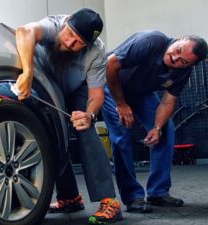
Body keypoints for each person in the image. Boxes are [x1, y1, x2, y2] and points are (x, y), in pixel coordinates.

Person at [15, 8, 122, 224]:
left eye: (79, 43)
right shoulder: (53, 24)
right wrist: (27, 72)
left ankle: (109, 201)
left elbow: (96, 94)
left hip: (78, 89)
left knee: (85, 129)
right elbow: (24, 31)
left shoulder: (96, 53)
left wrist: (89, 114)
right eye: (70, 35)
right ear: (66, 23)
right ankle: (69, 197)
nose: (71, 45)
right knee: (53, 133)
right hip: (48, 82)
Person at [101, 30, 208, 213]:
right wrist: (121, 103)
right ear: (179, 39)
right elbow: (109, 65)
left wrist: (156, 127)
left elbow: (168, 101)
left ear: (190, 65)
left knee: (166, 130)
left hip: (141, 93)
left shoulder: (183, 72)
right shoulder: (151, 41)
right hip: (110, 85)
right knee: (121, 135)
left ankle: (158, 192)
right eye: (178, 50)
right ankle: (133, 197)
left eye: (183, 61)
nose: (175, 58)